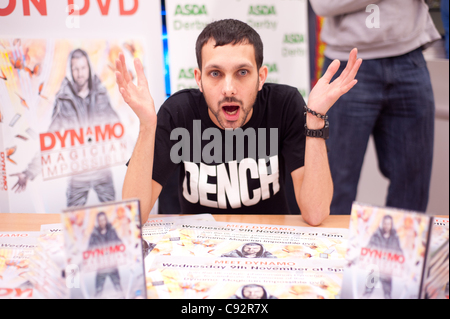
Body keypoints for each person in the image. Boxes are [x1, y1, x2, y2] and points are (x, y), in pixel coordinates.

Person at [116, 19, 362, 225]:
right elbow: (133, 216)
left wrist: (315, 120)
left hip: (272, 246)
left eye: (242, 72)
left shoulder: (284, 105)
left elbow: (316, 214)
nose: (229, 89)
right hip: (198, 250)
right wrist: (148, 126)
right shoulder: (179, 113)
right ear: (199, 79)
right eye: (215, 74)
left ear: (261, 77)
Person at [310, 0, 441, 215]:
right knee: (334, 186)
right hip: (346, 62)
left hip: (411, 57)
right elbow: (324, 4)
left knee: (412, 185)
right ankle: (332, 250)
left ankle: (401, 249)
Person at [11, 49, 120, 207]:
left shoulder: (101, 94)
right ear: (70, 70)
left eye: (83, 68)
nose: (80, 73)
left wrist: (142, 160)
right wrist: (28, 173)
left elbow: (120, 132)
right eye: (76, 68)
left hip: (102, 172)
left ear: (88, 68)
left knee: (115, 217)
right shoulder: (63, 100)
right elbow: (51, 139)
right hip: (78, 174)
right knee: (73, 223)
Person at [363, 215, 403, 299]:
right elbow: (366, 249)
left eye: (388, 224)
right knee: (367, 293)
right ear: (382, 224)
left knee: (387, 295)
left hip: (387, 272)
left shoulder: (395, 238)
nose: (386, 226)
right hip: (375, 269)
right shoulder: (376, 236)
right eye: (385, 223)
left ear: (391, 225)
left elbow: (400, 254)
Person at [87, 212, 123, 297]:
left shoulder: (112, 231)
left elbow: (119, 243)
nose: (102, 222)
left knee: (118, 287)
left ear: (106, 220)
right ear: (98, 222)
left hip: (112, 265)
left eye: (103, 220)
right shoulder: (94, 235)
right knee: (99, 290)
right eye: (100, 220)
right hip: (101, 266)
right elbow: (89, 250)